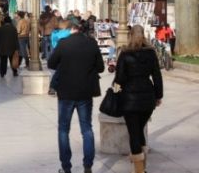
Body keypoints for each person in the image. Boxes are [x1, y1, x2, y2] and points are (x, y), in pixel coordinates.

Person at [48, 22, 104, 173]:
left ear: (71, 30)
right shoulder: (91, 43)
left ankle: (66, 167)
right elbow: (101, 67)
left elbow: (51, 64)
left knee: (63, 129)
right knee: (86, 129)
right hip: (85, 92)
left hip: (66, 92)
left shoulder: (63, 43)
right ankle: (88, 165)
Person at [113, 25, 163, 173]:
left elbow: (120, 78)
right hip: (147, 98)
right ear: (143, 35)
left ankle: (139, 170)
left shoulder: (125, 54)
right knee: (139, 130)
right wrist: (158, 95)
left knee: (134, 133)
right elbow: (157, 76)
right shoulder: (151, 53)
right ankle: (142, 166)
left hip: (129, 99)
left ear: (130, 35)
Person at [48, 19, 72, 95]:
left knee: (58, 71)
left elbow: (53, 43)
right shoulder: (68, 33)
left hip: (56, 52)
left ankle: (52, 87)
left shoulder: (54, 33)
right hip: (67, 53)